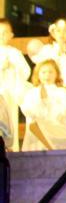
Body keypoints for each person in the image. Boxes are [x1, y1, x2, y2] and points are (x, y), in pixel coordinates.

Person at [20, 59, 66, 151]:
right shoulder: (32, 92)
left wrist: (46, 101)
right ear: (38, 74)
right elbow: (27, 111)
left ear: (57, 74)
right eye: (43, 72)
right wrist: (41, 103)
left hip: (54, 135)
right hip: (36, 136)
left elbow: (62, 113)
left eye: (51, 72)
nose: (47, 75)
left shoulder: (62, 93)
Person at [28, 18, 66, 109]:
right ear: (53, 33)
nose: (62, 34)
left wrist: (64, 87)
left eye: (65, 31)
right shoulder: (47, 50)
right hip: (49, 90)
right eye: (58, 31)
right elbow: (41, 69)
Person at [0, 19, 29, 148]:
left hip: (10, 94)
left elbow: (25, 71)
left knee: (10, 122)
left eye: (5, 33)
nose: (1, 35)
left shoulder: (14, 53)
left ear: (11, 35)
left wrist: (13, 67)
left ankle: (11, 148)